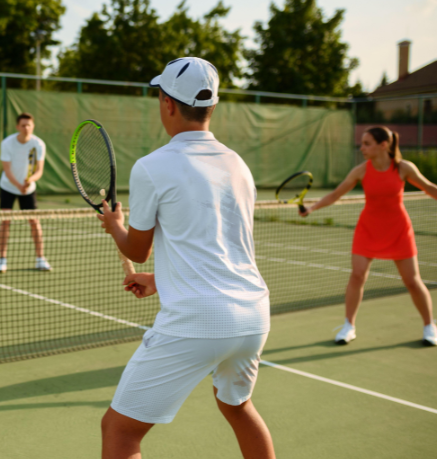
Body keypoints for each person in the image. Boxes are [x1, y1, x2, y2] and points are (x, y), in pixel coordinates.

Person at [97, 57, 275, 459]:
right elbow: (224, 248)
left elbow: (136, 249)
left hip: (198, 321)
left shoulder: (152, 167)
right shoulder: (238, 165)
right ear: (211, 107)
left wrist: (115, 226)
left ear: (168, 103)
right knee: (237, 406)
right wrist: (160, 280)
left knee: (120, 431)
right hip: (252, 316)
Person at [301, 126, 437, 346]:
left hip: (398, 231)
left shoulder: (403, 168)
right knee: (357, 276)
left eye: (367, 143)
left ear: (383, 145)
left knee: (412, 281)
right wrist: (311, 208)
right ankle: (349, 326)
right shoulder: (361, 170)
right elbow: (336, 194)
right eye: (362, 143)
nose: (362, 148)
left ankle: (429, 326)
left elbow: (429, 188)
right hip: (368, 230)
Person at [0, 112, 50, 273]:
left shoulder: (39, 144)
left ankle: (40, 258)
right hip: (8, 186)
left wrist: (31, 180)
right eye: (23, 125)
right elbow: (6, 169)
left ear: (33, 126)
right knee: (6, 221)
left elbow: (39, 170)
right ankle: (2, 259)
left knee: (34, 222)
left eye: (29, 125)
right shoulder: (7, 143)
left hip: (29, 188)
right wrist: (19, 185)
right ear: (17, 127)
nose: (26, 128)